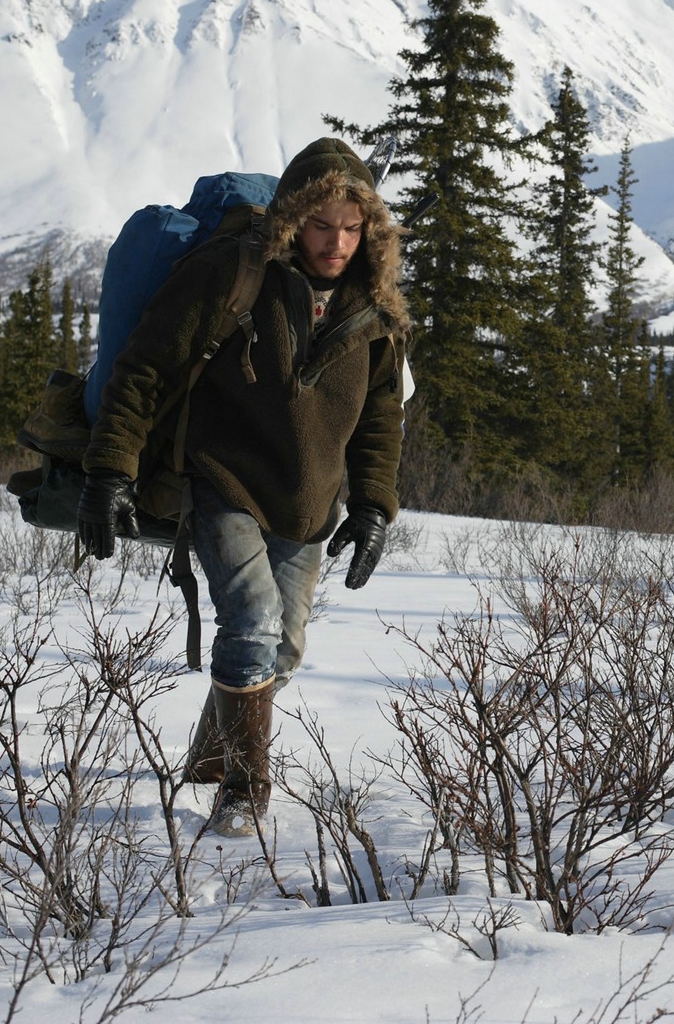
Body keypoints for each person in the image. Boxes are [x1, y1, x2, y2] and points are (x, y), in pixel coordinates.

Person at [75, 137, 409, 836]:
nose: (337, 243)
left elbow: (381, 417)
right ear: (294, 218)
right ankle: (243, 793)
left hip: (308, 503)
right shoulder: (237, 273)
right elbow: (145, 370)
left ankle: (211, 756)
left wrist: (375, 504)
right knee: (252, 621)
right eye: (323, 226)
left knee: (282, 651)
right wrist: (110, 469)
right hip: (224, 480)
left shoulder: (374, 305)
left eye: (352, 228)